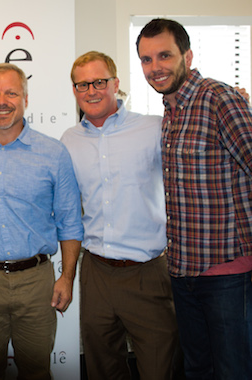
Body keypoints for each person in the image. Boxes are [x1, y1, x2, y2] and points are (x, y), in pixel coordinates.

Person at [0, 63, 84, 380]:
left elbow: (70, 221)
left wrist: (67, 278)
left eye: (11, 92)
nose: (1, 101)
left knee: (37, 371)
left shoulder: (53, 152)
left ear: (25, 98)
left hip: (37, 283)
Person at [136, 18, 252, 380]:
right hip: (182, 270)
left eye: (164, 56)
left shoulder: (220, 99)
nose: (155, 67)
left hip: (227, 273)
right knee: (197, 369)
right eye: (146, 59)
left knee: (233, 370)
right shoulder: (169, 114)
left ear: (187, 55)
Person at [61, 51, 180, 380]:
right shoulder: (69, 141)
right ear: (74, 91)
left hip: (148, 273)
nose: (92, 91)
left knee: (158, 369)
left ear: (115, 84)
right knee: (103, 368)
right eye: (82, 85)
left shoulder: (154, 128)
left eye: (100, 82)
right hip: (96, 270)